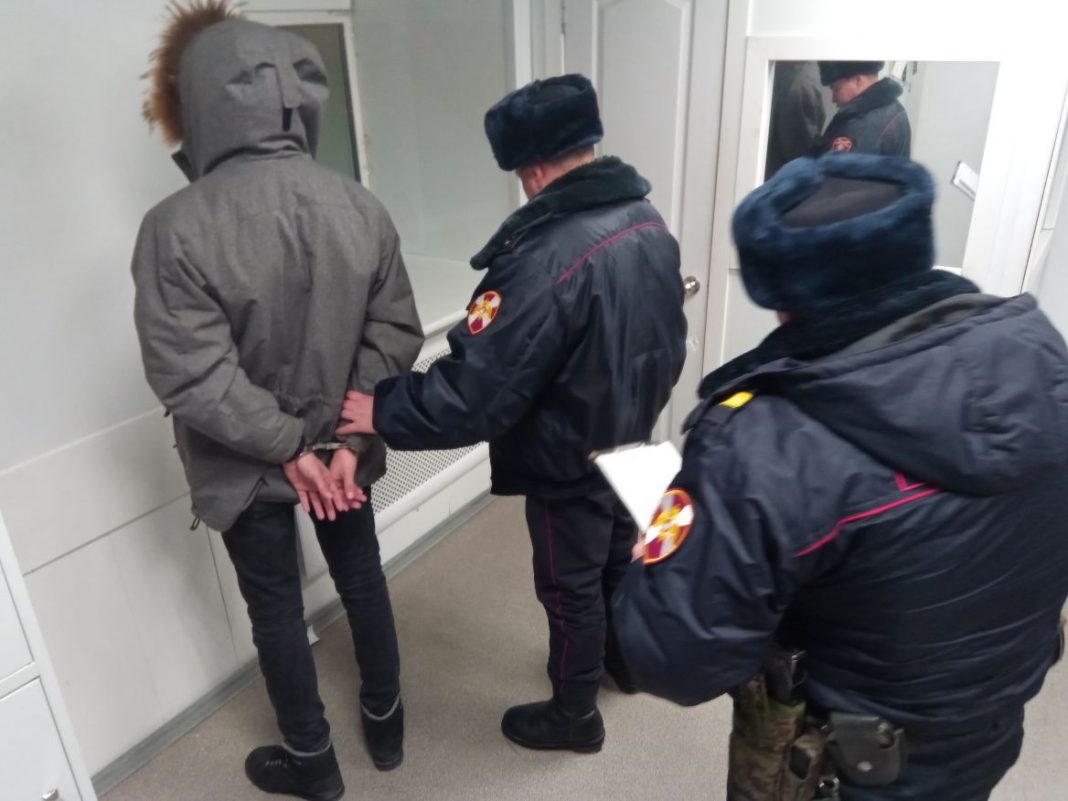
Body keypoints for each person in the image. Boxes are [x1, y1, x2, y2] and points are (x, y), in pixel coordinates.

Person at [613, 154, 1068, 800]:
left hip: (843, 766)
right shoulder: (1039, 357)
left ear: (779, 293)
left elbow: (675, 659)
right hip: (988, 729)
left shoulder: (762, 439)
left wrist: (656, 563)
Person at [337, 74, 688, 753]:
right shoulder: (646, 219)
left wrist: (384, 407)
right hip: (632, 434)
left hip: (566, 454)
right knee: (617, 560)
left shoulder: (541, 257)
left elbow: (475, 391)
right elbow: (669, 340)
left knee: (570, 586)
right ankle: (624, 661)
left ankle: (575, 715)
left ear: (530, 169)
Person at [132, 4, 423, 799]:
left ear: (198, 99)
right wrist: (338, 445)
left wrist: (290, 447)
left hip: (246, 460)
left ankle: (313, 764)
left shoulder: (173, 227)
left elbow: (193, 372)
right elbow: (395, 331)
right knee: (362, 575)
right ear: (296, 93)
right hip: (341, 451)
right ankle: (387, 721)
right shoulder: (359, 205)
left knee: (275, 609)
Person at [813, 62, 910, 156]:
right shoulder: (896, 109)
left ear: (857, 81)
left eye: (836, 89)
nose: (833, 99)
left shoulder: (857, 127)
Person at [765, 61, 826, 178]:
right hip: (784, 172)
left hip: (780, 171)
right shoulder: (800, 81)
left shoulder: (798, 79)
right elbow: (799, 145)